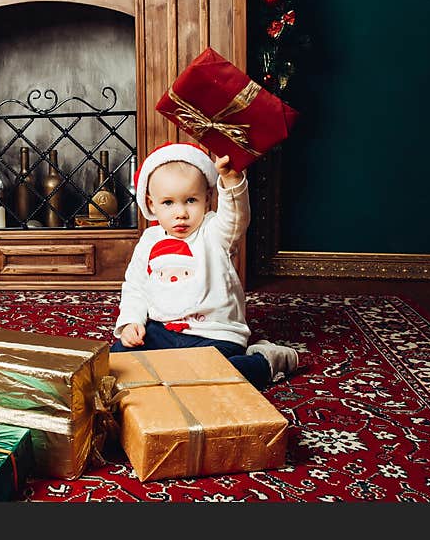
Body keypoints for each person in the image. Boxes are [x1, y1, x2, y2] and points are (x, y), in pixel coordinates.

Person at [112, 141, 298, 390]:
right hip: (162, 331)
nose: (181, 213)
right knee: (117, 362)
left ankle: (265, 360)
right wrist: (131, 322)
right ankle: (172, 368)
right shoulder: (149, 240)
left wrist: (232, 183)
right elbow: (135, 286)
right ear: (151, 204)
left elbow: (236, 217)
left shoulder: (215, 231)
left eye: (190, 200)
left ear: (208, 198)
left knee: (216, 378)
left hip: (213, 335)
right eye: (168, 203)